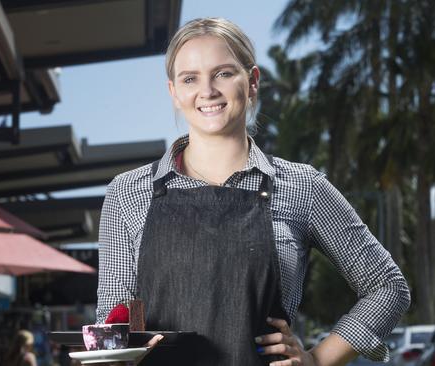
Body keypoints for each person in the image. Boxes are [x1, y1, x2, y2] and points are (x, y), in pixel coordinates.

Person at [96, 17, 410, 366]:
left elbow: (388, 286)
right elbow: (113, 317)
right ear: (174, 92)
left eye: (224, 73)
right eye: (190, 79)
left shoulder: (302, 187)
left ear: (253, 81)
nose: (208, 90)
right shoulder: (127, 193)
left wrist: (316, 360)